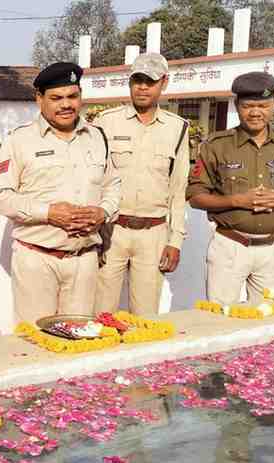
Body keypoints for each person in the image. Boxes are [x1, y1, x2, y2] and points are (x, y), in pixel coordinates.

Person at [0, 62, 121, 325]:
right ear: (39, 99)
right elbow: (0, 197)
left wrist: (103, 212)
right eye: (56, 98)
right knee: (34, 342)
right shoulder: (19, 140)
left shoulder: (97, 137)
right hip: (37, 258)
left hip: (84, 259)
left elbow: (113, 186)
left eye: (72, 96)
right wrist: (49, 213)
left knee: (80, 340)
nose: (66, 105)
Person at [187, 71, 274, 306]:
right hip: (230, 246)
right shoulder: (216, 145)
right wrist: (237, 201)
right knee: (221, 318)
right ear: (237, 106)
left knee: (266, 318)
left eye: (263, 105)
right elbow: (195, 196)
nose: (255, 112)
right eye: (248, 106)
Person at [94, 53, 189, 316]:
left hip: (153, 234)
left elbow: (178, 189)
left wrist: (176, 241)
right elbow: (93, 181)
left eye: (150, 81)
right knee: (100, 314)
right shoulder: (106, 122)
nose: (143, 87)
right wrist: (94, 235)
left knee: (145, 318)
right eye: (137, 80)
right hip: (111, 232)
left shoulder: (177, 128)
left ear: (164, 83)